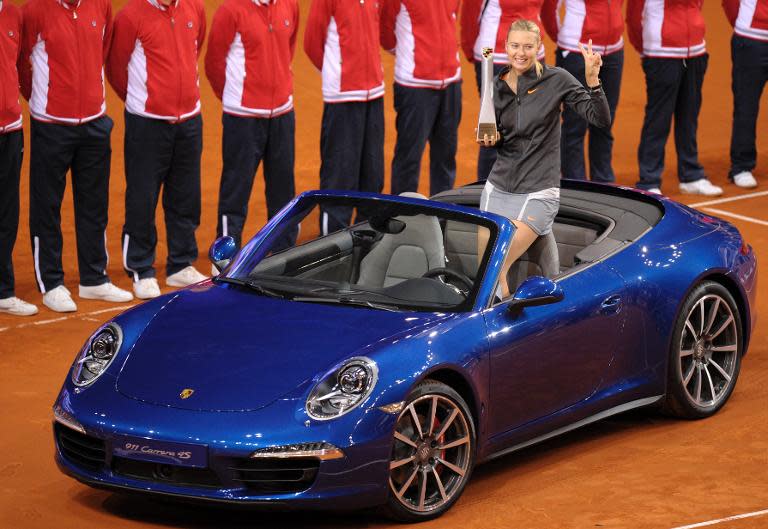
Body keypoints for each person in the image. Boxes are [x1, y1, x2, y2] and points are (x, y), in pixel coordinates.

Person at [478, 20, 610, 298]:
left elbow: (600, 119)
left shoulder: (556, 79)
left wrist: (593, 82)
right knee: (487, 274)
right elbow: (501, 137)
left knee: (494, 265)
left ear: (539, 47)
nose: (521, 53)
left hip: (539, 191)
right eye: (514, 46)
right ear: (506, 47)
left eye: (528, 46)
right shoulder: (496, 85)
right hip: (498, 188)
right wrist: (490, 138)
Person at [19, 0, 133, 313]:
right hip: (51, 126)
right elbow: (21, 65)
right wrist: (44, 100)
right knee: (47, 207)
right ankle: (52, 284)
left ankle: (94, 278)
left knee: (95, 205)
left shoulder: (101, 6)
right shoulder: (34, 12)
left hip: (95, 124)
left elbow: (104, 52)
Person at [108, 0, 208, 299]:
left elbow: (195, 49)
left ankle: (181, 263)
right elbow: (115, 67)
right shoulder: (130, 16)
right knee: (143, 195)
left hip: (189, 119)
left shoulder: (194, 8)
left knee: (186, 195)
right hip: (147, 123)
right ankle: (141, 268)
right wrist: (144, 102)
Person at [205, 0, 299, 253]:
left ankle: (283, 255)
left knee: (283, 193)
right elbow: (214, 63)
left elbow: (287, 48)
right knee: (235, 192)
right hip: (243, 119)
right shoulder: (230, 11)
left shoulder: (290, 5)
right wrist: (237, 98)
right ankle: (226, 258)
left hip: (282, 114)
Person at [304, 0, 385, 235]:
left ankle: (366, 241)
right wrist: (337, 74)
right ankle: (332, 248)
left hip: (374, 95)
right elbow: (312, 44)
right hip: (343, 98)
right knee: (339, 181)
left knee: (372, 177)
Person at [627, 0, 722, 196]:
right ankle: (649, 180)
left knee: (689, 116)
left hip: (695, 51)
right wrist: (647, 50)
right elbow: (634, 17)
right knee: (658, 119)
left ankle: (691, 175)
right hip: (662, 54)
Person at [380, 0, 462, 197]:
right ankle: (402, 219)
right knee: (409, 157)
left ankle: (444, 213)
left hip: (451, 81)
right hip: (414, 86)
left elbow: (451, 18)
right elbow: (385, 31)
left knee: (446, 156)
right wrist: (411, 55)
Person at [461, 0, 545, 182]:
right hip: (495, 55)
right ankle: (486, 194)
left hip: (533, 57)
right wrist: (474, 52)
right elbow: (471, 12)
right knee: (494, 128)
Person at [541, 0, 624, 183]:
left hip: (613, 52)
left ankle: (603, 182)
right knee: (575, 124)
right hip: (577, 52)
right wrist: (567, 42)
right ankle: (575, 184)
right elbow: (549, 9)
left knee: (604, 120)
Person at [0, 0, 37, 316]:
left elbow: (22, 66)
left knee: (7, 212)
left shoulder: (13, 14)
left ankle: (2, 289)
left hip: (11, 128)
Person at [723, 0, 767, 189]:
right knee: (746, 105)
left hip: (751, 40)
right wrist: (744, 23)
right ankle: (741, 166)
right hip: (752, 40)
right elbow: (730, 3)